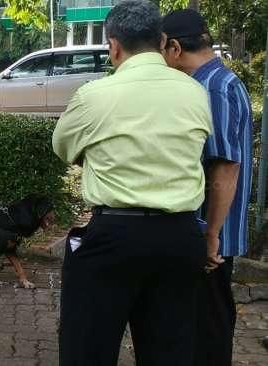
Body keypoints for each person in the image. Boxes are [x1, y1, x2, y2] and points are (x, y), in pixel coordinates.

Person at [52, 1, 212, 365]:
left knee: (87, 350)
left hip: (114, 237)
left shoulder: (95, 96)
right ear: (162, 40)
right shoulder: (194, 92)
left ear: (113, 45)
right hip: (180, 238)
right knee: (170, 352)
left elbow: (63, 148)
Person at [162, 9, 253, 366]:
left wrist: (211, 234)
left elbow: (224, 165)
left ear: (173, 48)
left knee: (208, 329)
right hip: (210, 232)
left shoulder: (211, 88)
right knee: (205, 323)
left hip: (210, 236)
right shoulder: (217, 81)